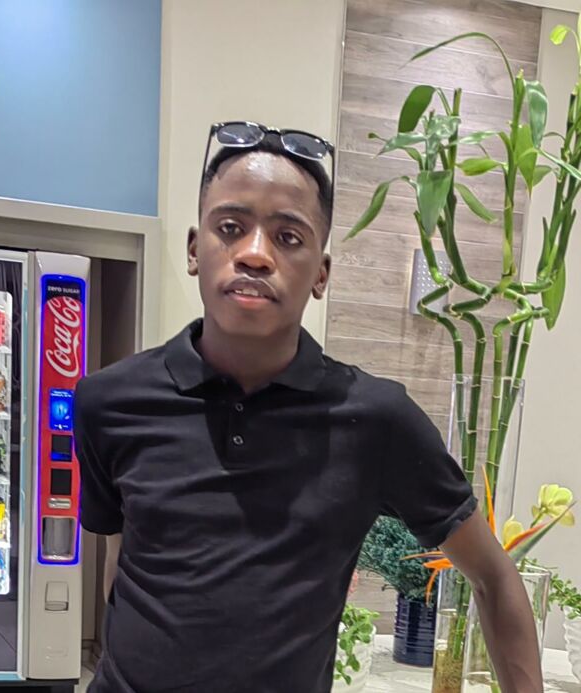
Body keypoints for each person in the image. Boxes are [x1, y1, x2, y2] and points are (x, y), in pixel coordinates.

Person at [74, 121, 544, 693]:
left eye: (288, 237)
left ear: (321, 274)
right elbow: (122, 561)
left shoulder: (375, 420)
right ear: (195, 250)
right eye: (231, 228)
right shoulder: (109, 401)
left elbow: (494, 576)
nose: (254, 254)